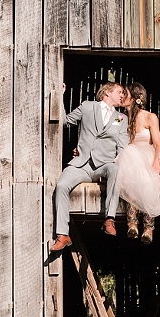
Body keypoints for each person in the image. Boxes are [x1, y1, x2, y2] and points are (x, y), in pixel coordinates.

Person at [50, 82, 128, 251]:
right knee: (62, 185)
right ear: (107, 92)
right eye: (120, 92)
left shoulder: (120, 118)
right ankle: (62, 235)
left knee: (116, 169)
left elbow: (122, 146)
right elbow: (66, 121)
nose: (122, 95)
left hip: (105, 165)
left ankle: (109, 219)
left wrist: (119, 161)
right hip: (82, 164)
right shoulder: (87, 107)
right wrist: (60, 96)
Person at [114, 82, 160, 243]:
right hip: (129, 157)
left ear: (134, 97)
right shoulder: (121, 118)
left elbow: (157, 144)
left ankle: (148, 228)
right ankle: (132, 224)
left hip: (148, 155)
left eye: (125, 93)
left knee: (151, 182)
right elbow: (109, 134)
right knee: (131, 179)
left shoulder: (149, 117)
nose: (122, 96)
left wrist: (156, 162)